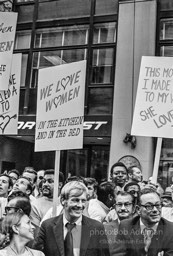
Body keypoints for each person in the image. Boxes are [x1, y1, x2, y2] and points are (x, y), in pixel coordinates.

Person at [32, 180, 110, 256]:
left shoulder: (96, 227)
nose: (80, 205)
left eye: (83, 201)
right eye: (75, 200)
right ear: (63, 201)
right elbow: (36, 253)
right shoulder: (48, 226)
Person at [113, 187, 173, 256]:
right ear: (138, 209)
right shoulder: (126, 226)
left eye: (158, 205)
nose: (155, 210)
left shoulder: (170, 230)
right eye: (149, 206)